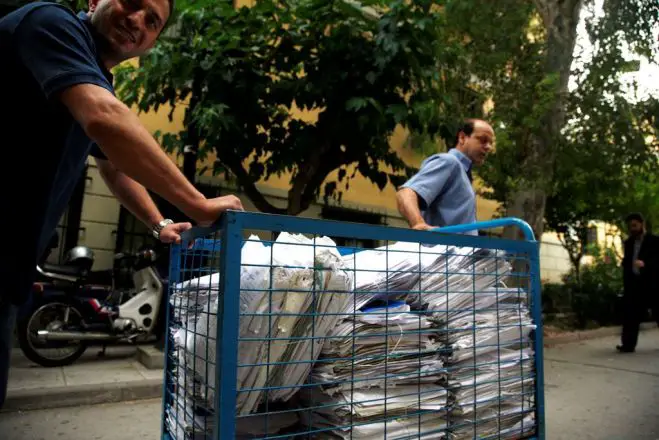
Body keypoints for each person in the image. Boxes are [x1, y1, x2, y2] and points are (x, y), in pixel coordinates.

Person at [0, 0, 244, 408]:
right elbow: (104, 119)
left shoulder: (94, 77)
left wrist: (158, 224)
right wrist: (199, 204)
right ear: (95, 0)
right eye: (132, 4)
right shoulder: (50, 24)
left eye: (153, 22)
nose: (138, 22)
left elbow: (114, 169)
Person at [396, 119, 495, 234]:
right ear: (462, 137)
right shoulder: (449, 162)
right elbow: (406, 192)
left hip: (461, 250)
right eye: (483, 140)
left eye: (491, 143)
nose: (488, 147)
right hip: (442, 249)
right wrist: (418, 224)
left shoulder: (462, 172)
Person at [617, 213, 659, 353]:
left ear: (642, 224)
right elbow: (628, 261)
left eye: (635, 225)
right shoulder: (629, 243)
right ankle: (628, 345)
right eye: (630, 227)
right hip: (634, 285)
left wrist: (645, 264)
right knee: (630, 314)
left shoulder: (654, 241)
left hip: (652, 283)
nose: (632, 229)